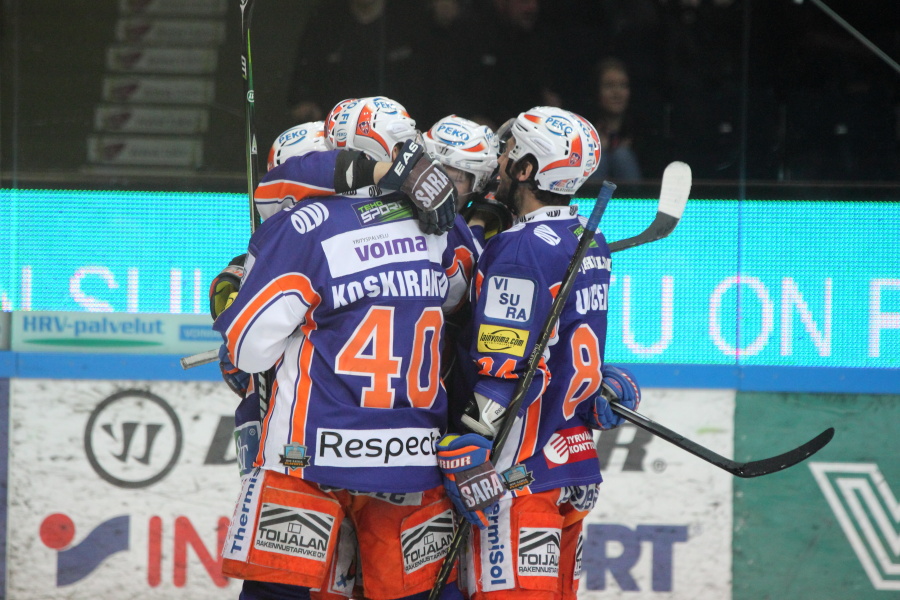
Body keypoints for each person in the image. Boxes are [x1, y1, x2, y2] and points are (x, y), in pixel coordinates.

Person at [213, 96, 502, 600]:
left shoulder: (305, 225)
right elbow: (465, 305)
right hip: (412, 462)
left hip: (307, 463)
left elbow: (248, 352)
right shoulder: (443, 227)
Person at [451, 106, 642, 600]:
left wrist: (472, 446)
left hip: (519, 475)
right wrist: (602, 379)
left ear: (527, 170)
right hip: (572, 465)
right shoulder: (588, 238)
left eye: (511, 152)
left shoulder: (520, 249)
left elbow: (504, 363)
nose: (500, 163)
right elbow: (565, 341)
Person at [590, 58, 642, 182]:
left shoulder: (642, 130)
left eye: (623, 86)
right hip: (591, 196)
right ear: (597, 91)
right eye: (609, 86)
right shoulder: (584, 129)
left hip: (632, 200)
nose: (617, 93)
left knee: (621, 155)